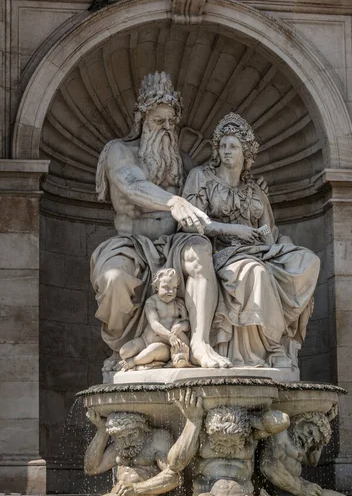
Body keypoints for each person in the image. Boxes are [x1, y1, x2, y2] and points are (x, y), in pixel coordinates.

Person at [91, 72, 231, 374]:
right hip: (132, 241)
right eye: (158, 121)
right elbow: (132, 185)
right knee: (113, 278)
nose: (166, 129)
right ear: (142, 119)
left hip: (174, 243)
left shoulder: (182, 161)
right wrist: (174, 201)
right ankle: (121, 348)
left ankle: (200, 342)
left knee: (200, 251)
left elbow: (210, 198)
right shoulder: (120, 151)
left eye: (171, 122)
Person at [182, 113, 320, 367]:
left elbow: (270, 232)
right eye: (222, 146)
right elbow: (191, 222)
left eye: (233, 146)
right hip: (220, 253)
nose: (226, 151)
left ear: (245, 152)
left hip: (258, 250)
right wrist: (234, 230)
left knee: (307, 260)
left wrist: (279, 247)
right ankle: (269, 348)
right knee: (254, 272)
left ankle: (274, 344)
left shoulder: (255, 191)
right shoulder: (201, 178)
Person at [66, 390, 204, 496]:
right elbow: (91, 467)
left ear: (142, 428)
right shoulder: (121, 445)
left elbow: (174, 477)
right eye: (121, 437)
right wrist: (102, 430)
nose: (127, 441)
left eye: (132, 435)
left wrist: (137, 489)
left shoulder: (156, 439)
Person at [190, 405, 290, 496]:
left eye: (233, 441)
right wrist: (193, 421)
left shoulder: (249, 436)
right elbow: (175, 463)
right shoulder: (201, 435)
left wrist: (247, 420)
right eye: (222, 440)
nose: (227, 444)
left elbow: (283, 421)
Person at [259, 411, 352, 496]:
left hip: (299, 495)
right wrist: (300, 489)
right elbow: (268, 465)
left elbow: (313, 461)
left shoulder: (300, 444)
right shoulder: (281, 434)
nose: (308, 441)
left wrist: (324, 424)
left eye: (313, 441)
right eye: (309, 432)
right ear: (301, 420)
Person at [119, 268, 190, 370]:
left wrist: (181, 326)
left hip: (165, 345)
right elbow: (154, 323)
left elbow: (188, 325)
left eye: (174, 288)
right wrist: (169, 335)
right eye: (166, 287)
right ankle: (147, 360)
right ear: (156, 286)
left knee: (153, 350)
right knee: (124, 352)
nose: (171, 291)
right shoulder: (152, 302)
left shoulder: (178, 303)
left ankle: (132, 362)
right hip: (145, 340)